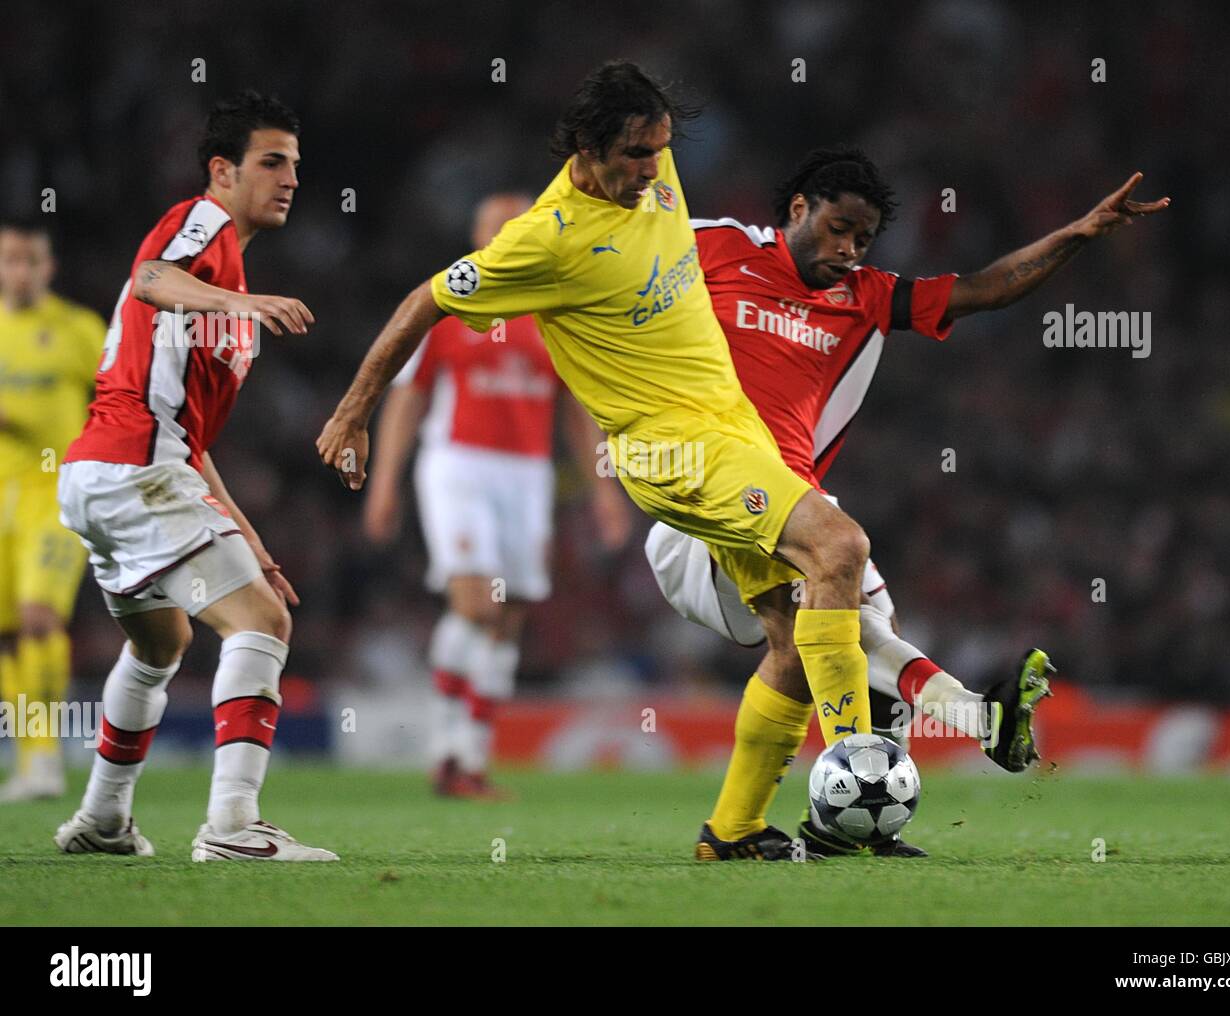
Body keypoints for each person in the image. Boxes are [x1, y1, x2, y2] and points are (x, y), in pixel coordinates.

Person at [318, 60, 938, 863]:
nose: (654, 169)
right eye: (637, 154)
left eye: (661, 149)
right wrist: (351, 412)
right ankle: (858, 772)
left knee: (791, 630)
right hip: (672, 449)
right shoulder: (543, 241)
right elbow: (424, 301)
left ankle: (734, 830)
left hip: (734, 432)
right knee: (841, 547)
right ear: (587, 146)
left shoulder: (656, 172)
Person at [648, 146, 1168, 858]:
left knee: (836, 639)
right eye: (838, 227)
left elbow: (984, 288)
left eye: (863, 238)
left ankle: (780, 830)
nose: (848, 248)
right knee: (842, 590)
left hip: (792, 504)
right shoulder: (716, 247)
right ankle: (968, 726)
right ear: (798, 208)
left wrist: (1074, 234)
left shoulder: (865, 294)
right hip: (705, 496)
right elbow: (623, 262)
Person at [53, 90, 333, 862]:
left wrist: (254, 545)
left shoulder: (227, 275)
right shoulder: (201, 224)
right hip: (132, 467)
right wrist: (246, 300)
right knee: (261, 625)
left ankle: (104, 820)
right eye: (272, 162)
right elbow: (148, 278)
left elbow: (194, 444)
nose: (290, 179)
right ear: (222, 170)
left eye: (296, 166)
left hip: (108, 475)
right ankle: (233, 827)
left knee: (158, 645)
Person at [363, 193, 630, 798]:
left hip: (527, 477)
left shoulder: (556, 314)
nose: (502, 239)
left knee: (508, 618)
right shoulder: (450, 305)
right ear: (478, 237)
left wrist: (604, 493)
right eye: (492, 229)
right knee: (478, 604)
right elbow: (407, 399)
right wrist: (385, 482)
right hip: (459, 465)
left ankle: (470, 760)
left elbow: (576, 415)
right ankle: (445, 749)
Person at [0, 220, 104, 802]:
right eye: (9, 260)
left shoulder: (78, 329)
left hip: (55, 493)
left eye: (29, 261)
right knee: (9, 633)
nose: (19, 272)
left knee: (40, 618)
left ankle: (51, 757)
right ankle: (33, 759)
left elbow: (118, 401)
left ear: (49, 266)